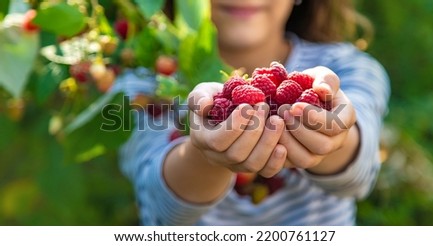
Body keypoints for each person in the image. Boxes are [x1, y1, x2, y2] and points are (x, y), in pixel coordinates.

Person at [117, 0, 390, 225]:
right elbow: (161, 211)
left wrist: (335, 137)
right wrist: (206, 155)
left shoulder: (348, 68)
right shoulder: (147, 85)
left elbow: (358, 178)